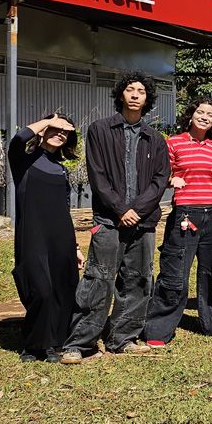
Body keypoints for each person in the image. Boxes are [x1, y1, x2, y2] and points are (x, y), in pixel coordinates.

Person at [60, 72, 170, 364]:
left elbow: (160, 179)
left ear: (147, 100)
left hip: (144, 222)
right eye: (130, 90)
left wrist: (138, 210)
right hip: (109, 220)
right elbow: (97, 175)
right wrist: (121, 210)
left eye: (141, 91)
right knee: (98, 278)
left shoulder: (155, 138)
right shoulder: (100, 130)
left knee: (137, 279)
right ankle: (80, 343)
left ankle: (123, 338)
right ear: (121, 95)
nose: (135, 94)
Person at [143, 98, 212, 347]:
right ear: (191, 115)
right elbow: (161, 176)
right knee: (174, 271)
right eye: (200, 112)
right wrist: (172, 181)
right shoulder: (174, 144)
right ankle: (159, 329)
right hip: (185, 213)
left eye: (210, 114)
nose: (205, 116)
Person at [8, 113, 83, 362]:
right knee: (40, 289)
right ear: (43, 130)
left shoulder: (61, 170)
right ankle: (32, 346)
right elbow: (19, 139)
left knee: (63, 288)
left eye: (66, 132)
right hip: (33, 235)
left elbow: (65, 210)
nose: (60, 134)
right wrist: (49, 121)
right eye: (56, 129)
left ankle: (53, 344)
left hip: (61, 237)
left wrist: (75, 247)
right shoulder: (24, 162)